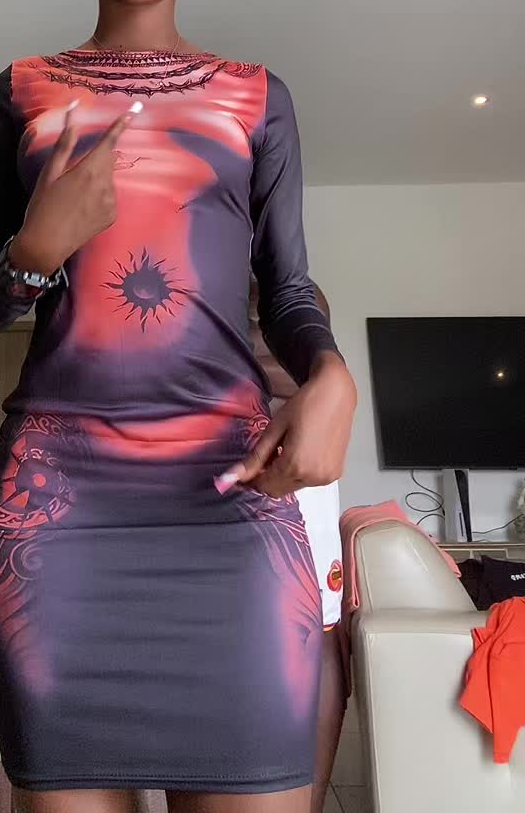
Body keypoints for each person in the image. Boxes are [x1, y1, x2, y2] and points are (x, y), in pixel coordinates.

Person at [0, 0, 357, 813]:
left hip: (227, 495)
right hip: (57, 511)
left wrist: (332, 371)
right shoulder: (21, 91)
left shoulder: (256, 97)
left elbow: (287, 289)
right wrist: (35, 254)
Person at [248, 281, 346, 813]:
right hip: (252, 456)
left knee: (318, 633)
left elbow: (313, 372)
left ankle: (307, 801)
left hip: (289, 461)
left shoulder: (287, 283)